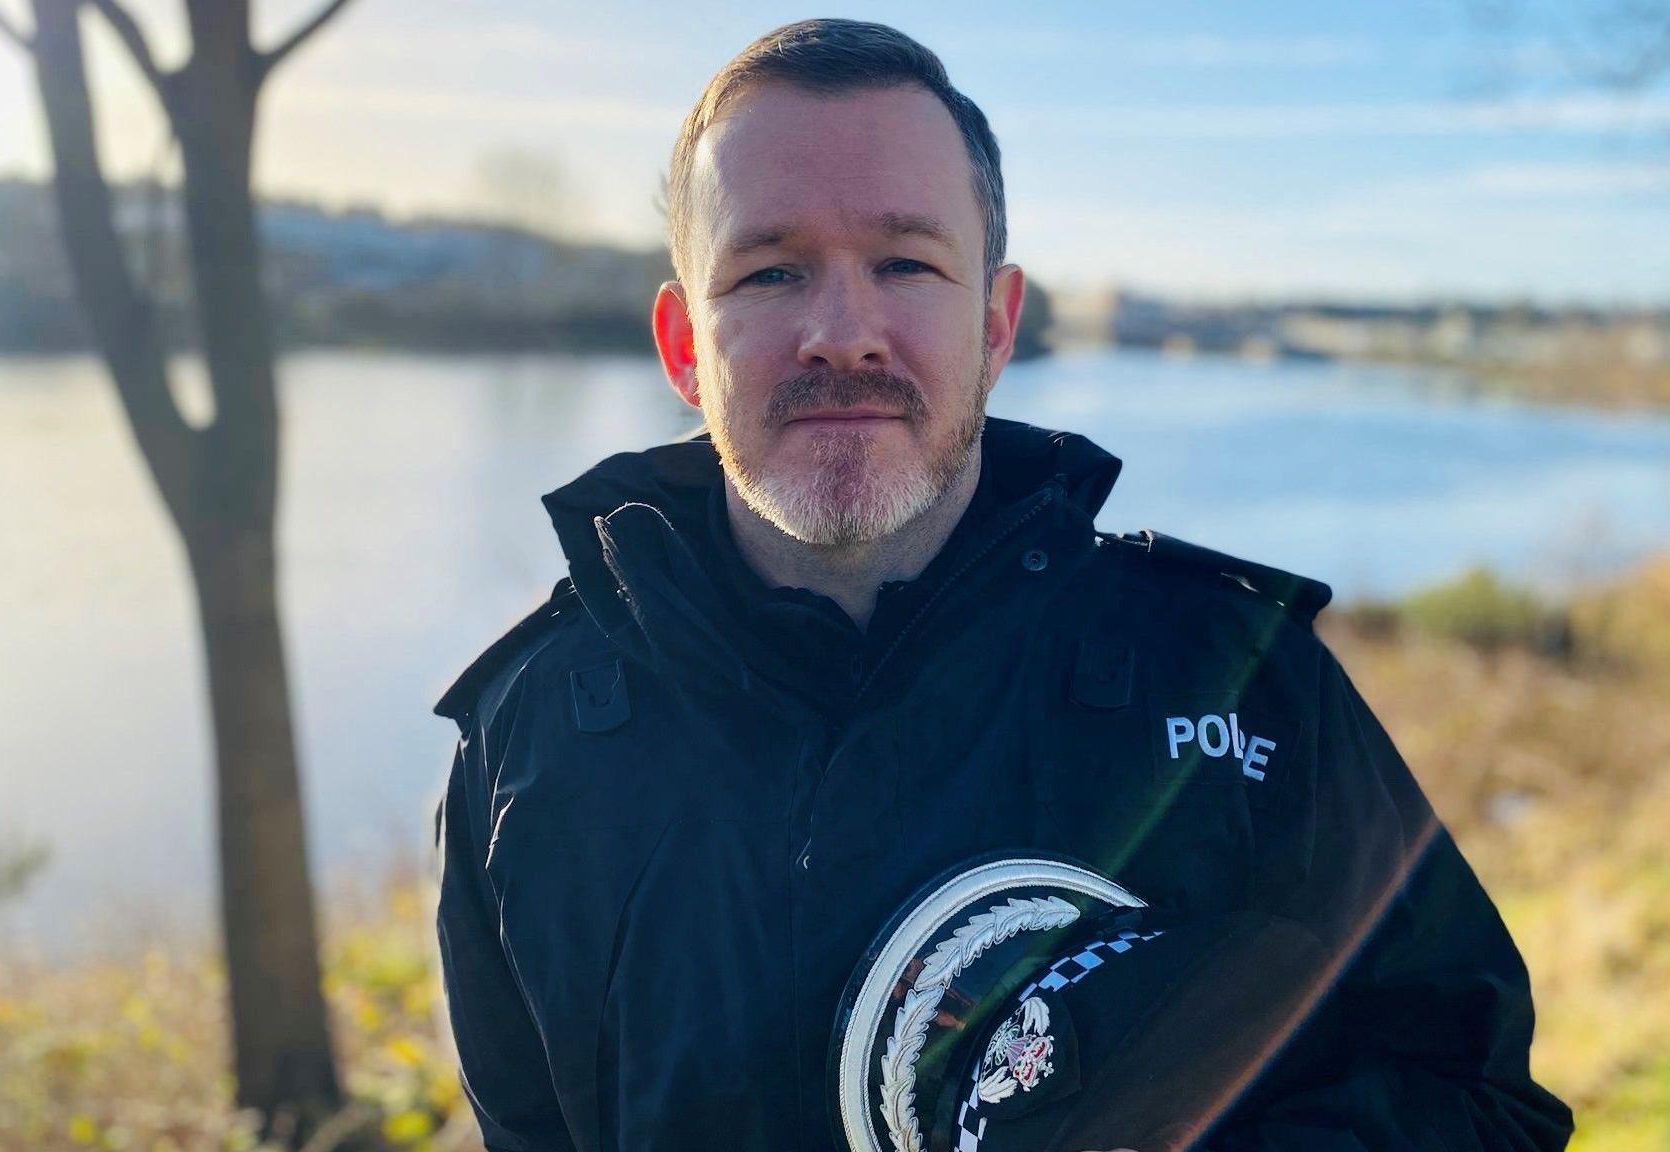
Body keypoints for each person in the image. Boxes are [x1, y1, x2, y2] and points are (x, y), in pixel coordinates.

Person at [432, 18, 1573, 1152]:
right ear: (685, 343)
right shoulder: (524, 745)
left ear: (993, 321)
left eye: (905, 264)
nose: (841, 333)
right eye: (769, 270)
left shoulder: (1239, 687)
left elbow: (1479, 1101)